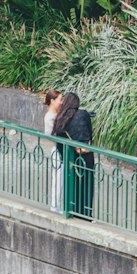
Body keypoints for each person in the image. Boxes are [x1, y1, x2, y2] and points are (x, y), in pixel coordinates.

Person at [53, 92, 95, 220]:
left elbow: (58, 141)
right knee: (87, 184)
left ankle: (72, 209)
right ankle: (86, 214)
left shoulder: (60, 119)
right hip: (86, 156)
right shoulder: (82, 115)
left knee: (73, 183)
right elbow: (89, 136)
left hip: (70, 157)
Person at [42, 89, 64, 212]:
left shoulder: (58, 114)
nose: (61, 102)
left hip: (60, 149)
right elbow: (51, 135)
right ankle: (55, 205)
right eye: (59, 99)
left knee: (63, 177)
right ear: (52, 101)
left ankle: (60, 204)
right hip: (57, 149)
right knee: (58, 178)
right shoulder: (50, 117)